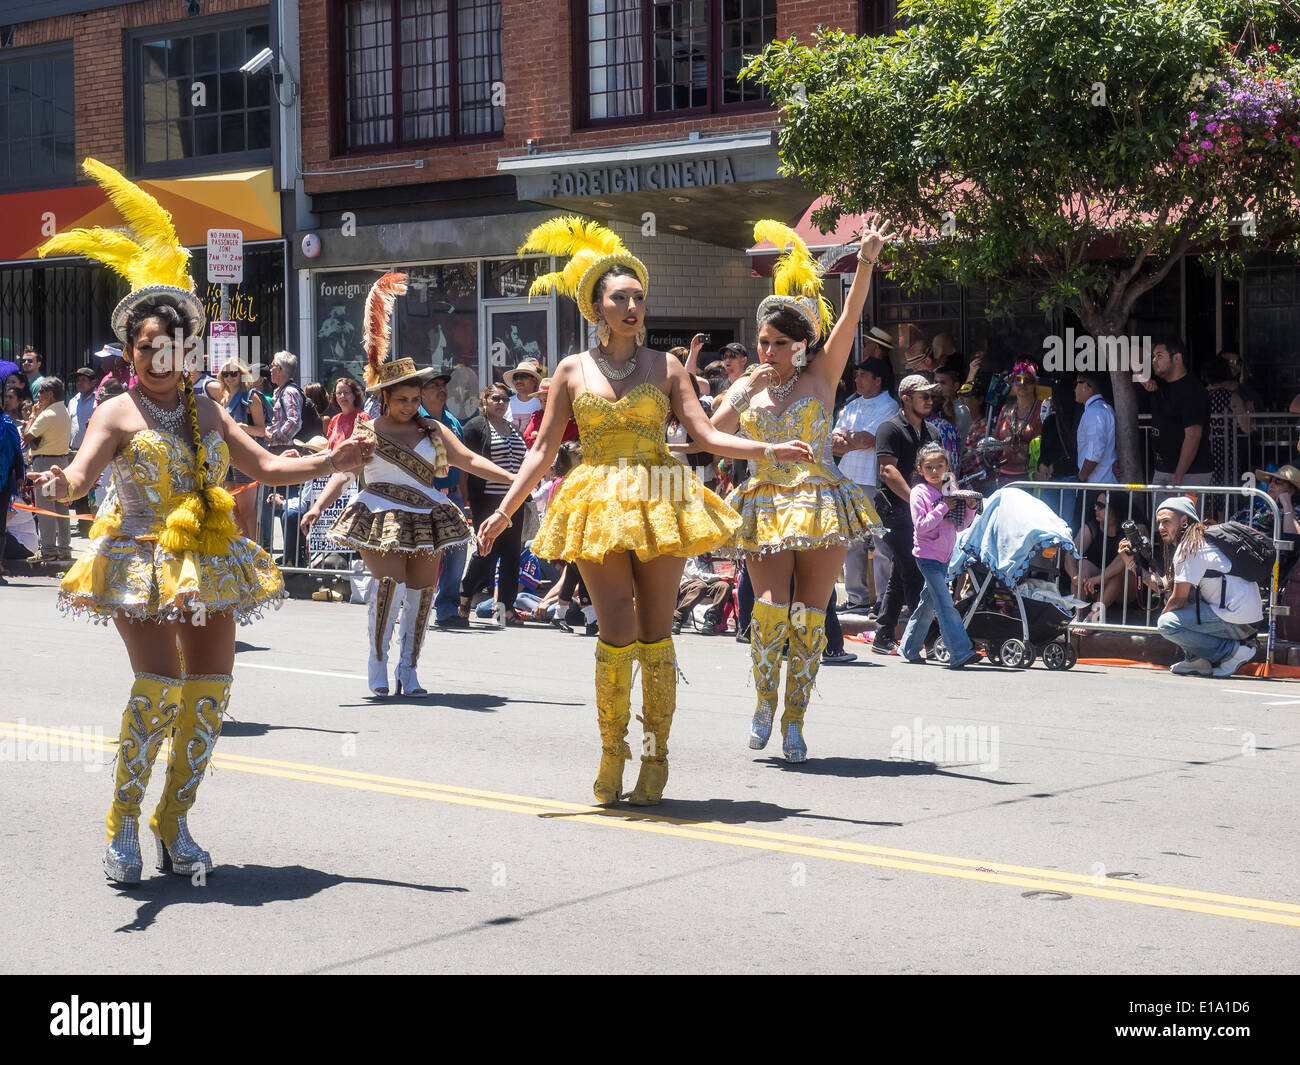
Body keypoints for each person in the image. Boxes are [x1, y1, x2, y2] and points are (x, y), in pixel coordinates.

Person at [31, 157, 375, 884]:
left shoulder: (208, 408)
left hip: (207, 561)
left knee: (210, 697)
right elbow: (82, 474)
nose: (158, 355)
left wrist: (337, 460)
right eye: (146, 345)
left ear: (188, 349)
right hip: (137, 556)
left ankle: (172, 819)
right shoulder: (118, 411)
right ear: (131, 351)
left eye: (172, 344)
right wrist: (58, 482)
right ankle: (121, 821)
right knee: (156, 691)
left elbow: (270, 469)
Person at [477, 215, 811, 805]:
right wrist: (504, 511)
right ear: (597, 308)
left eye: (639, 297)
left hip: (661, 497)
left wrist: (767, 448)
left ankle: (654, 756)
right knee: (615, 629)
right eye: (620, 298)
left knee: (657, 631)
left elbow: (707, 435)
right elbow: (543, 451)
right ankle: (612, 750)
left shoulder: (667, 367)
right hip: (596, 502)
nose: (632, 306)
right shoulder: (571, 370)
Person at [709, 216, 890, 760]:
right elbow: (713, 436)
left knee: (811, 616)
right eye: (762, 342)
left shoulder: (823, 375)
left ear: (803, 345)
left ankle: (795, 720)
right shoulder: (748, 383)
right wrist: (746, 391)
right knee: (768, 609)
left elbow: (853, 314)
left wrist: (865, 260)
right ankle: (765, 701)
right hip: (765, 500)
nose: (767, 352)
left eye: (778, 344)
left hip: (819, 501)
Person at [302, 275, 515, 697]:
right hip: (378, 514)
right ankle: (378, 662)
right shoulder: (365, 433)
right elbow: (342, 471)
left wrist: (519, 479)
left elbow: (470, 461)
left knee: (422, 593)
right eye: (402, 400)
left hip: (427, 515)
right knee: (388, 589)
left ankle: (410, 668)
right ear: (384, 399)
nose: (411, 406)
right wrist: (315, 507)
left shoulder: (432, 430)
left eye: (415, 399)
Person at [1119, 496, 1262, 677]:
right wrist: (1133, 566)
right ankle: (1197, 661)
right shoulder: (1201, 540)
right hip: (1243, 616)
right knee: (1175, 611)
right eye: (1159, 523)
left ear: (1184, 520)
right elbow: (1167, 587)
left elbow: (1178, 599)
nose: (1161, 527)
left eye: (1166, 522)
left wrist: (1165, 625)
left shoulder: (1189, 548)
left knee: (1168, 622)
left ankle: (1232, 651)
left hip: (1238, 620)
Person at [872, 374, 944, 654]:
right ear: (906, 398)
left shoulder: (933, 433)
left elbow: (939, 471)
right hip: (895, 511)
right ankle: (928, 638)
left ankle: (883, 634)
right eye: (923, 395)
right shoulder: (889, 428)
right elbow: (887, 471)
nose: (929, 400)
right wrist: (916, 499)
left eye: (930, 396)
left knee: (901, 573)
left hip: (924, 512)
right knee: (913, 570)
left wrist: (952, 496)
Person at [898, 443, 981, 667]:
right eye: (929, 467)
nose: (935, 471)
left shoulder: (950, 490)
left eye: (940, 466)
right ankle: (960, 651)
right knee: (945, 603)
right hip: (926, 557)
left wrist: (970, 507)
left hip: (945, 557)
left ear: (947, 467)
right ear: (920, 469)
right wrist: (943, 506)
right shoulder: (919, 493)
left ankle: (908, 648)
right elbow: (922, 526)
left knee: (927, 604)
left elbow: (960, 525)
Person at [459, 382, 531, 627]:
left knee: (512, 555)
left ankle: (504, 610)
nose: (501, 403)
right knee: (487, 550)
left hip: (513, 500)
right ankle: (465, 596)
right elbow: (465, 466)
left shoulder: (513, 428)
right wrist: (466, 498)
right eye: (496, 399)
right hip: (487, 499)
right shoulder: (475, 427)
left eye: (505, 400)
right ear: (484, 402)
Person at [832, 356, 897, 611]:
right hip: (847, 478)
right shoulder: (851, 405)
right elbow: (835, 443)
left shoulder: (888, 405)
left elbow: (870, 439)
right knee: (851, 541)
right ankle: (856, 597)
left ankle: (883, 599)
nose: (856, 380)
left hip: (873, 479)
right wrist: (852, 439)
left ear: (877, 380)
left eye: (862, 375)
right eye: (856, 375)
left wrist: (849, 439)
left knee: (880, 542)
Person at [418, 368, 471, 630]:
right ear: (421, 392)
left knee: (458, 550)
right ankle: (415, 605)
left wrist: (464, 497)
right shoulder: (414, 422)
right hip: (423, 496)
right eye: (434, 385)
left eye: (443, 385)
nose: (442, 389)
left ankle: (447, 608)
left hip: (452, 497)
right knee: (423, 554)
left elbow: (462, 464)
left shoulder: (452, 422)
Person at [1144, 337, 1214, 489]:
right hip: (1162, 471)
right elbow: (1130, 353)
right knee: (1160, 514)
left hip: (1190, 475)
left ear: (1177, 358)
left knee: (1186, 514)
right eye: (1153, 356)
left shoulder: (1192, 390)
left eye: (1159, 356)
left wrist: (1178, 476)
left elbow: (1193, 435)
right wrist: (1142, 379)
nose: (1154, 361)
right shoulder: (1159, 384)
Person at [1066, 493, 1146, 620]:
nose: (1095, 508)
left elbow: (1122, 559)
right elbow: (1071, 552)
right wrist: (1074, 575)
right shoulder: (1091, 527)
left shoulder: (1134, 529)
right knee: (1082, 565)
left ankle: (1094, 617)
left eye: (1101, 506)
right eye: (1095, 504)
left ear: (1115, 508)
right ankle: (1077, 614)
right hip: (1097, 587)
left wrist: (1098, 579)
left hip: (1127, 590)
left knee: (1120, 570)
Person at [217, 358, 268, 540]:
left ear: (241, 375)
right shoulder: (223, 399)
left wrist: (244, 428)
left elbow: (262, 431)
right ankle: (243, 551)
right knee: (235, 511)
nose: (229, 377)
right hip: (229, 459)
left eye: (233, 373)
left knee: (247, 510)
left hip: (246, 457)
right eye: (226, 374)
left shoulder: (251, 397)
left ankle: (254, 550)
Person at [25, 376, 73, 561]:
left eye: (41, 392)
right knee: (60, 506)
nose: (38, 396)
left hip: (45, 464)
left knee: (45, 507)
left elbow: (28, 436)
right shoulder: (64, 411)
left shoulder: (47, 414)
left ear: (50, 394)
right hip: (60, 462)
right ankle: (63, 547)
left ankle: (48, 550)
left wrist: (32, 415)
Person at [1035, 374, 1081, 532]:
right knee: (1047, 526)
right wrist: (1041, 465)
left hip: (1070, 480)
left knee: (1066, 527)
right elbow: (1044, 453)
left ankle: (1064, 556)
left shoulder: (1079, 420)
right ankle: (1050, 556)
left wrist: (1053, 465)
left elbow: (1078, 454)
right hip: (1051, 481)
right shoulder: (1050, 421)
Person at [993, 361, 1043, 486]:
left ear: (1035, 383)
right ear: (1012, 384)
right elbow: (996, 441)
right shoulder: (1006, 410)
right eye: (1017, 380)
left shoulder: (1042, 409)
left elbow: (1042, 445)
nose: (1022, 384)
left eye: (1027, 380)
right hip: (1003, 475)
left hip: (1029, 477)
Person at [66, 367, 99, 530]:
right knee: (76, 487)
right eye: (77, 380)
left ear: (93, 382)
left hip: (90, 450)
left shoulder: (97, 401)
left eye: (83, 379)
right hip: (73, 450)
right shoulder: (73, 400)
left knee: (91, 488)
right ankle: (82, 523)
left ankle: (92, 524)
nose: (79, 383)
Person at [671, 553, 736, 635]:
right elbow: (693, 575)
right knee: (701, 586)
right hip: (690, 583)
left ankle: (712, 618)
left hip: (707, 583)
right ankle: (678, 618)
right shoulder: (690, 554)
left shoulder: (708, 555)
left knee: (724, 586)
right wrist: (718, 577)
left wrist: (722, 578)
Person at [1074, 371, 1117, 487]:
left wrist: (1081, 477)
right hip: (1104, 481)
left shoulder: (1095, 412)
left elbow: (1096, 451)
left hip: (1096, 484)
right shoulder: (1106, 408)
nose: (1074, 389)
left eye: (1076, 384)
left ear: (1086, 386)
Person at [327, 376, 368, 449]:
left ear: (354, 395)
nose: (342, 396)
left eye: (346, 392)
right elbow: (329, 449)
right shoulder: (334, 420)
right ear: (335, 397)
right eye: (339, 393)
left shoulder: (362, 417)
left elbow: (365, 447)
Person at [507, 360, 543, 432]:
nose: (518, 380)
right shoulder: (506, 402)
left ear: (534, 380)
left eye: (523, 376)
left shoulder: (542, 402)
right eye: (516, 377)